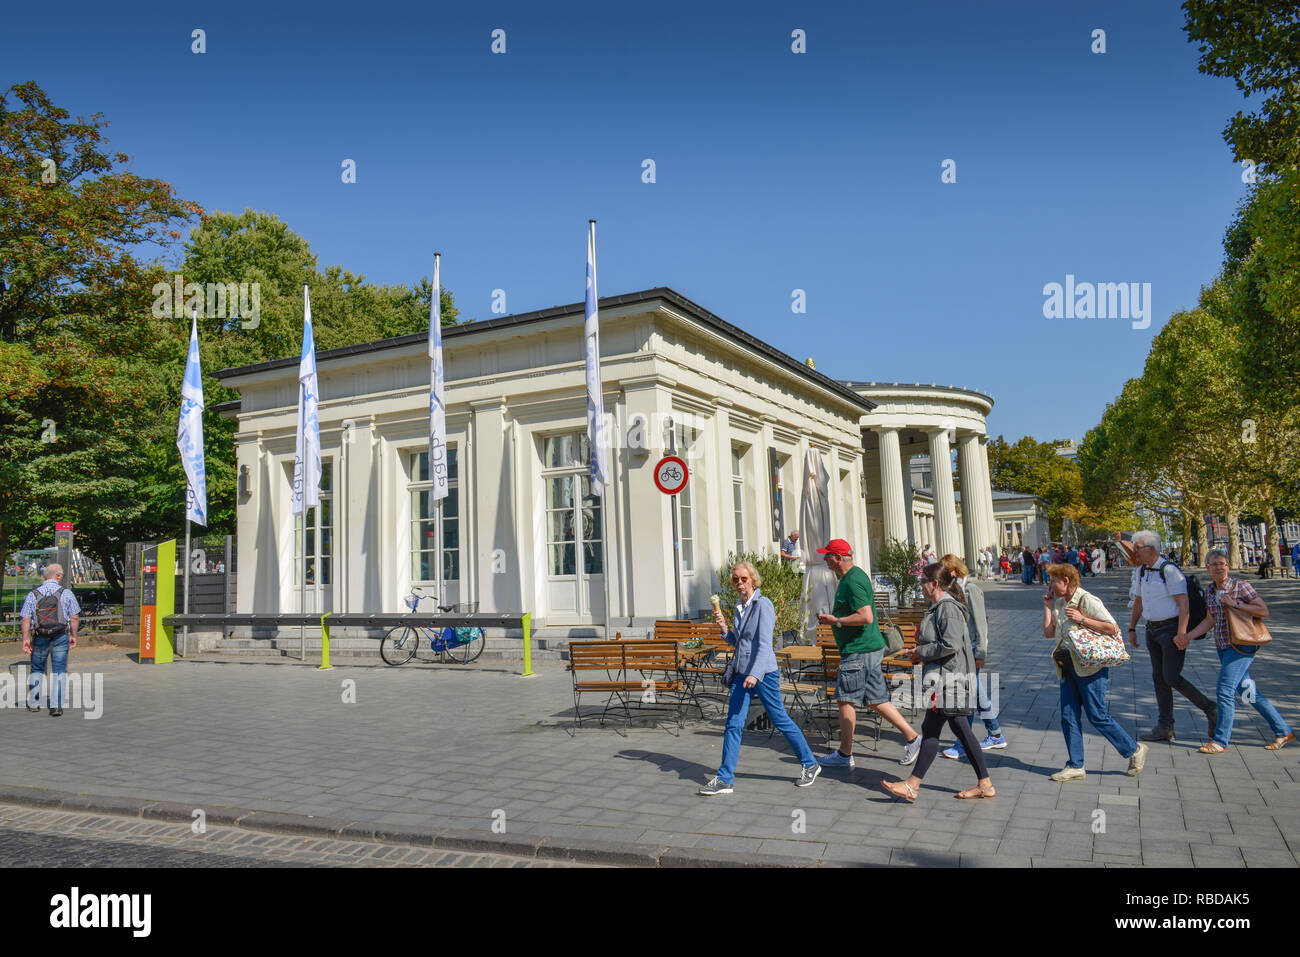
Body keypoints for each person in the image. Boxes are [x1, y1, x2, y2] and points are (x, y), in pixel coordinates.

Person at [699, 562, 821, 795]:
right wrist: (724, 628)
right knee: (733, 724)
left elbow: (765, 645)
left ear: (753, 580)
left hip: (763, 673)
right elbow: (740, 643)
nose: (739, 583)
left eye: (744, 579)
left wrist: (755, 674)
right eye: (736, 579)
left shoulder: (763, 605)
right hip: (742, 673)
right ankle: (725, 778)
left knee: (780, 719)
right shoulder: (739, 606)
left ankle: (810, 763)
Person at [881, 563, 995, 802]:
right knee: (937, 730)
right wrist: (920, 651)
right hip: (943, 679)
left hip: (950, 679)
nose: (921, 586)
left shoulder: (947, 608)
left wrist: (920, 653)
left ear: (935, 583)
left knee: (955, 730)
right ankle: (917, 785)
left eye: (923, 581)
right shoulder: (937, 607)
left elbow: (950, 644)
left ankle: (915, 785)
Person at [815, 539, 922, 769]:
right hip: (867, 648)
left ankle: (845, 754)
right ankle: (913, 737)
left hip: (859, 650)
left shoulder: (852, 581)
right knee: (876, 699)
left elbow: (866, 617)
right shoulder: (852, 577)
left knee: (845, 699)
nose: (825, 560)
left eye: (828, 556)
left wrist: (837, 621)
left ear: (838, 557)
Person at [1040, 562, 1148, 781]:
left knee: (1097, 715)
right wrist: (1048, 607)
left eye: (1053, 580)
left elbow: (1112, 627)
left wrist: (1082, 619)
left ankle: (1134, 750)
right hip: (1067, 667)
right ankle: (1075, 765)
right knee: (1068, 716)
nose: (1050, 584)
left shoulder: (1087, 600)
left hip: (1091, 668)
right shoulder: (1060, 603)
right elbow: (1048, 633)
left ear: (1066, 581)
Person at [1186, 549, 1293, 752]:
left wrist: (1236, 603)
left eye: (1223, 564)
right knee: (1248, 692)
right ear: (1207, 566)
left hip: (1243, 645)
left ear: (1228, 566)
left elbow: (1263, 610)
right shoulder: (1209, 590)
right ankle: (1283, 731)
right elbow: (1210, 620)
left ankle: (1220, 741)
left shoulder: (1241, 586)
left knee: (1225, 690)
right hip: (1224, 647)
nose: (1219, 567)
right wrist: (1188, 637)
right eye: (1214, 564)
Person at [1128, 530, 1216, 742]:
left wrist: (1182, 633)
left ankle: (1211, 708)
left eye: (1136, 548)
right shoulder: (1141, 571)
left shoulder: (1169, 571)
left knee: (1171, 677)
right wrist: (1132, 628)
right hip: (1152, 630)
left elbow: (1183, 603)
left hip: (1171, 631)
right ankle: (1165, 726)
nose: (1133, 552)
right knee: (1159, 679)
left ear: (1150, 549)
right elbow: (1138, 602)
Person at [938, 554, 1007, 759]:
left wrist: (981, 653)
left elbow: (980, 624)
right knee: (975, 692)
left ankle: (964, 743)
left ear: (953, 571)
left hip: (971, 651)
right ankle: (995, 733)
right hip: (962, 651)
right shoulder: (954, 590)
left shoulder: (970, 589)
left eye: (943, 571)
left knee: (967, 695)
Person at [20, 563, 80, 717]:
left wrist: (26, 639)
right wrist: (74, 635)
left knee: (37, 668)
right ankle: (56, 706)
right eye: (62, 576)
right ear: (58, 576)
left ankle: (34, 702)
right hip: (60, 636)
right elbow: (74, 616)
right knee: (59, 670)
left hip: (40, 636)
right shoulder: (66, 593)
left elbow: (25, 619)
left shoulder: (33, 594)